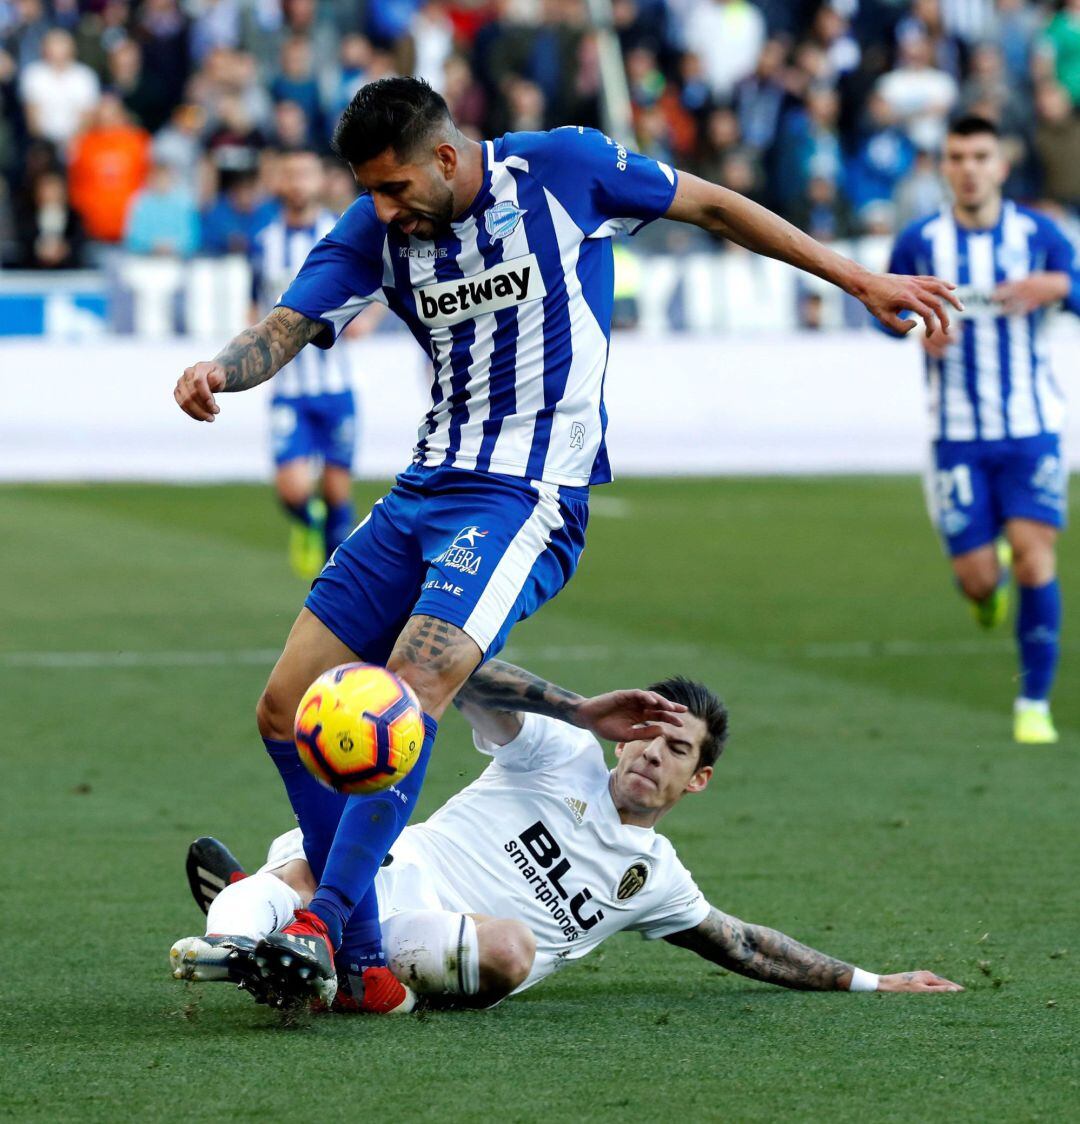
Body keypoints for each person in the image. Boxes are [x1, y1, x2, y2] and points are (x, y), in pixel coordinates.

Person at [172, 76, 960, 1009]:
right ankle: (363, 951)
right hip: (425, 487)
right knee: (283, 707)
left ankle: (321, 920)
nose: (382, 209)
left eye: (394, 188)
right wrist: (222, 368)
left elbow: (711, 204)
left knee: (414, 687)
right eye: (370, 191)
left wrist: (857, 276)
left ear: (448, 157)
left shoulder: (564, 171)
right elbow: (288, 323)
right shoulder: (376, 231)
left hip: (526, 494)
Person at [171, 659, 963, 1010]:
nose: (653, 752)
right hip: (393, 868)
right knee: (323, 868)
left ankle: (287, 944)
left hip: (468, 945)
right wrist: (576, 705)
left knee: (513, 950)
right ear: (625, 736)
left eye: (677, 748)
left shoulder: (656, 879)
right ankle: (235, 941)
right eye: (648, 733)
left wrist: (871, 981)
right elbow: (461, 673)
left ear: (698, 780)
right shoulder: (559, 751)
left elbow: (745, 946)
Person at [881, 115, 1080, 744]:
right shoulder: (919, 242)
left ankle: (1032, 705)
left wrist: (1062, 284)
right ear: (944, 166)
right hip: (957, 434)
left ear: (1000, 165)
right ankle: (981, 588)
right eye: (957, 156)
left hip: (1031, 426)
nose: (968, 167)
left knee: (1034, 555)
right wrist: (911, 329)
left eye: (980, 156)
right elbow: (879, 310)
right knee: (979, 579)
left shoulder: (1039, 234)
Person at [250, 147, 361, 577]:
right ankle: (307, 524)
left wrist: (364, 318)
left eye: (305, 174)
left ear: (320, 181)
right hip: (288, 390)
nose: (297, 183)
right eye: (289, 174)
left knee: (337, 492)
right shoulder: (264, 244)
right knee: (292, 489)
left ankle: (334, 576)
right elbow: (253, 302)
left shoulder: (340, 233)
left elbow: (376, 283)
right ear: (279, 182)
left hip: (335, 386)